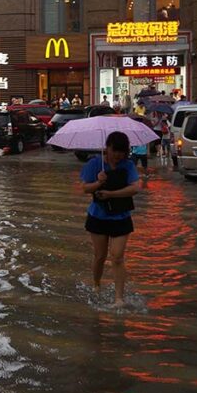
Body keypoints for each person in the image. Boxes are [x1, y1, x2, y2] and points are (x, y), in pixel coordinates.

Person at [80, 131, 141, 308]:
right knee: (100, 256)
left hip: (121, 216)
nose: (118, 156)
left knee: (117, 257)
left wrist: (111, 193)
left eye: (121, 153)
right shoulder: (94, 164)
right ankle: (97, 285)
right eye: (115, 152)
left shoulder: (128, 165)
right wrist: (98, 183)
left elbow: (135, 188)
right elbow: (85, 188)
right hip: (98, 216)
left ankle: (119, 298)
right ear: (107, 148)